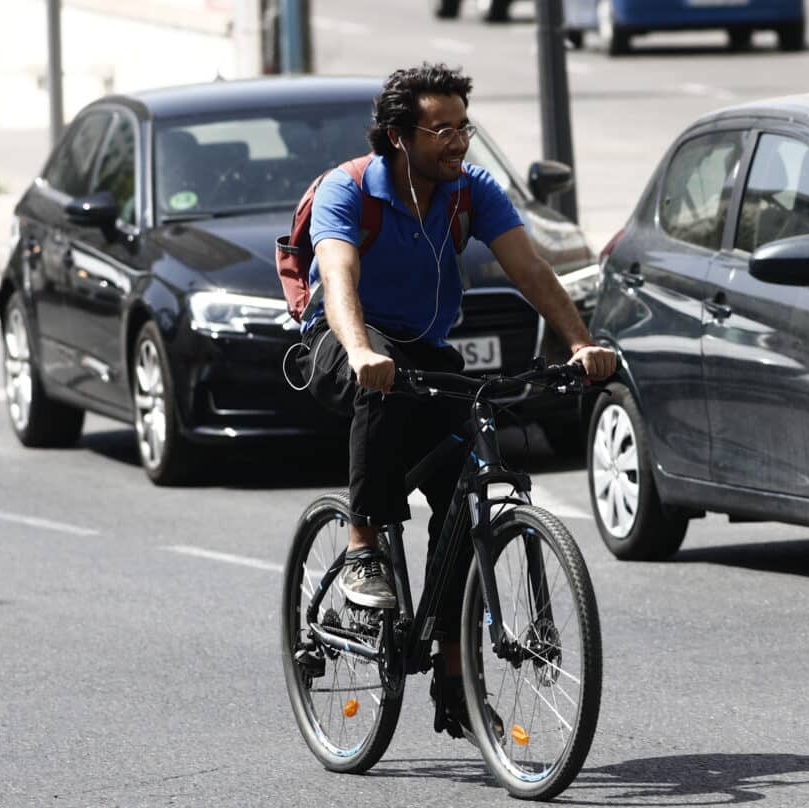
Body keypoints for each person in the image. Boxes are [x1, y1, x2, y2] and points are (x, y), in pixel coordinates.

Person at [297, 63, 616, 735]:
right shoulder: (348, 190)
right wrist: (360, 352)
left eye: (462, 126)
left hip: (422, 346)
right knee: (381, 396)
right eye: (439, 129)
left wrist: (581, 343)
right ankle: (360, 547)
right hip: (341, 339)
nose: (457, 141)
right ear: (395, 136)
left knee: (463, 493)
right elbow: (337, 279)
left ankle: (452, 681)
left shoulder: (471, 193)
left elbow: (529, 269)